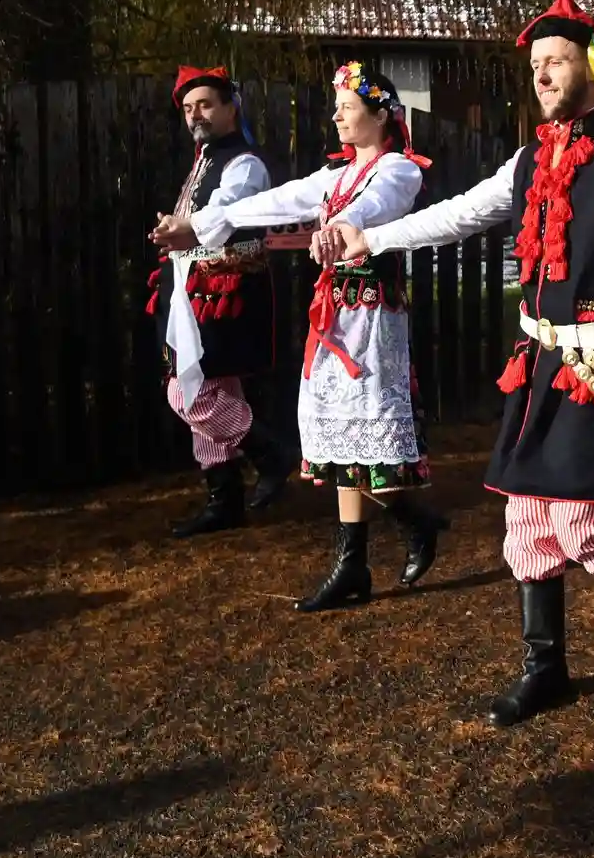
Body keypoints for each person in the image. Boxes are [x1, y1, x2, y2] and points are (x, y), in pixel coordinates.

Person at [315, 0, 594, 729]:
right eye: (536, 68)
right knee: (526, 520)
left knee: (583, 518)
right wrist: (374, 236)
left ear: (588, 64)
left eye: (555, 62)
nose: (544, 76)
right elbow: (457, 211)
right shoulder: (526, 160)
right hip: (538, 358)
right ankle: (544, 667)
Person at [151, 62, 448, 610]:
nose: (335, 115)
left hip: (375, 320)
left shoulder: (398, 170)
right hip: (332, 317)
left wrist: (341, 227)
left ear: (379, 113)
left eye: (346, 106)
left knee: (369, 442)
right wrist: (196, 226)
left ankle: (413, 522)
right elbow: (275, 201)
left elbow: (373, 209)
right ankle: (353, 563)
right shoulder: (334, 176)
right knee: (334, 436)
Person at [151, 65, 294, 538]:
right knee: (218, 387)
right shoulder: (204, 159)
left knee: (188, 389)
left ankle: (270, 451)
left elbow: (227, 214)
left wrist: (183, 228)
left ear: (232, 107)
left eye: (206, 104)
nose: (196, 114)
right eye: (189, 108)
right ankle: (223, 499)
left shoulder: (244, 163)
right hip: (191, 287)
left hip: (225, 292)